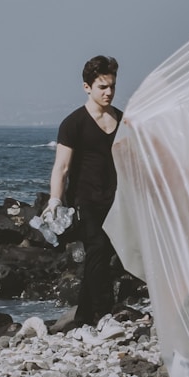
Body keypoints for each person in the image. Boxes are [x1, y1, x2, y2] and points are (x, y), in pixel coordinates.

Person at [45, 55, 123, 328]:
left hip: (115, 201)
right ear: (87, 87)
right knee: (97, 249)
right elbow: (62, 167)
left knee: (102, 257)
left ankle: (82, 318)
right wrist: (55, 200)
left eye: (112, 86)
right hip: (85, 201)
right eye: (102, 87)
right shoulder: (73, 123)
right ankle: (103, 315)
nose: (109, 92)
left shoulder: (122, 120)